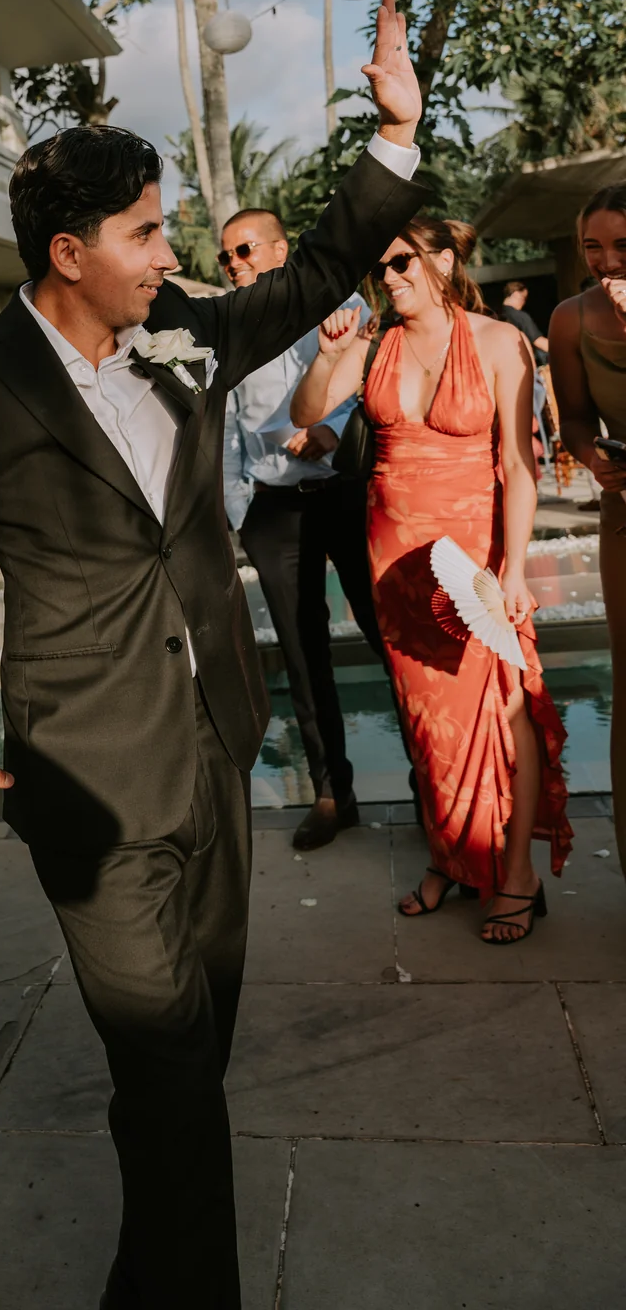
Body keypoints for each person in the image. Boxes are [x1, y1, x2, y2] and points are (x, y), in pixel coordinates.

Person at [0, 0, 425, 1308]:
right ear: (67, 253)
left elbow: (314, 274)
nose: (170, 254)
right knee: (169, 1069)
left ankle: (141, 1282)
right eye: (146, 233)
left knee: (185, 1062)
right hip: (90, 780)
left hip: (219, 743)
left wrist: (393, 138)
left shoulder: (182, 330)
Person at [293, 218, 572, 944]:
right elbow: (305, 413)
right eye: (378, 267)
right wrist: (329, 356)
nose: (387, 277)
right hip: (394, 563)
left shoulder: (498, 341)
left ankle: (517, 874)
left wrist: (514, 567)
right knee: (428, 727)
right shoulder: (375, 344)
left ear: (444, 262)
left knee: (504, 710)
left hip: (475, 559)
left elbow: (519, 466)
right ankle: (452, 858)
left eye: (401, 263)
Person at [220, 207, 383, 850]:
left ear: (281, 251)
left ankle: (433, 781)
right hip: (274, 511)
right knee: (302, 654)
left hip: (345, 496)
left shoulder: (343, 305)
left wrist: (332, 431)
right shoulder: (231, 329)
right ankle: (331, 793)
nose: (234, 263)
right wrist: (240, 514)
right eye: (226, 256)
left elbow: (373, 385)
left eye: (245, 250)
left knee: (385, 635)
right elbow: (226, 428)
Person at [548, 184, 626, 878]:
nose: (607, 262)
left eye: (623, 246)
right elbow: (574, 417)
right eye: (592, 247)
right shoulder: (570, 318)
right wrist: (594, 457)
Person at [502, 280, 549, 364]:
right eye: (523, 298)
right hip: (522, 363)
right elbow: (538, 341)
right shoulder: (520, 316)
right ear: (516, 294)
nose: (524, 303)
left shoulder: (496, 315)